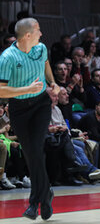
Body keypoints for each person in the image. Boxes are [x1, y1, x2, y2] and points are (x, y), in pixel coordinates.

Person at [0, 17, 60, 220]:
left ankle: (35, 202)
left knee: (35, 151)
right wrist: (26, 88)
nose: (41, 34)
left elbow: (46, 66)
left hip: (41, 105)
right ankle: (46, 194)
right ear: (28, 35)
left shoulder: (41, 48)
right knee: (32, 154)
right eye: (38, 30)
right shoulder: (8, 57)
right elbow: (1, 90)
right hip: (18, 108)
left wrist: (53, 83)